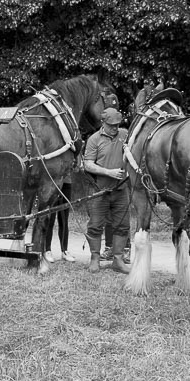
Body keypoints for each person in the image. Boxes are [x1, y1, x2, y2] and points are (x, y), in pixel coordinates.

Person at [82, 106, 130, 274]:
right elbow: (87, 164)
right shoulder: (94, 139)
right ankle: (95, 259)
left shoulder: (125, 135)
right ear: (103, 123)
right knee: (95, 225)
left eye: (117, 124)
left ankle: (117, 259)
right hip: (99, 190)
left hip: (121, 189)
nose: (115, 127)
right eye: (111, 125)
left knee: (122, 225)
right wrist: (108, 172)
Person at [42, 171, 75, 262]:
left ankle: (65, 251)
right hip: (51, 182)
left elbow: (76, 169)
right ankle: (47, 250)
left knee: (64, 218)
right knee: (50, 218)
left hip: (66, 183)